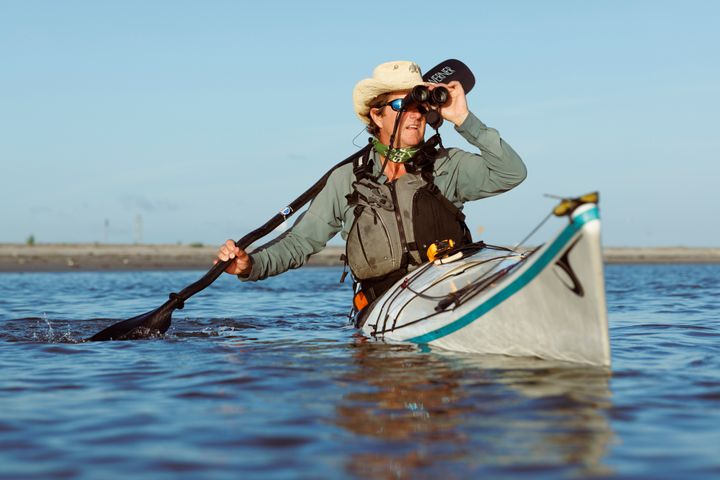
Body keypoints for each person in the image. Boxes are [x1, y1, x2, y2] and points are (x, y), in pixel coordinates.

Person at [216, 60, 526, 314]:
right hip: (383, 311)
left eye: (420, 105)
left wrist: (464, 119)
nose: (414, 114)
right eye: (401, 104)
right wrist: (249, 265)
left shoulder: (448, 167)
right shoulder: (345, 180)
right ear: (375, 115)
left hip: (451, 297)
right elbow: (299, 242)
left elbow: (511, 173)